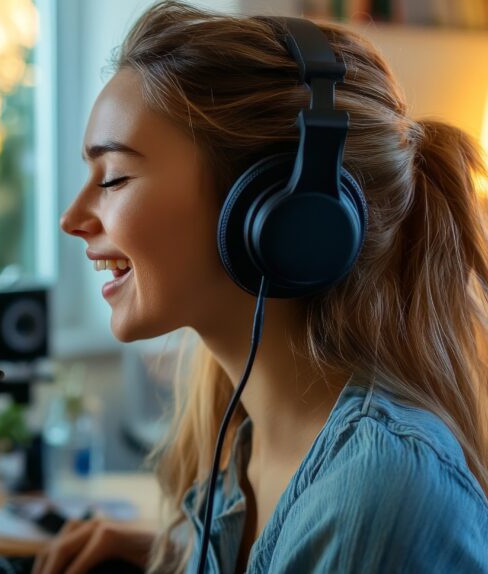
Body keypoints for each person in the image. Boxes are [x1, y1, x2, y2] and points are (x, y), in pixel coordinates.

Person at [36, 2, 488, 572]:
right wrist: (175, 553)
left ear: (276, 211)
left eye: (115, 178)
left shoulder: (377, 499)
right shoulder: (245, 446)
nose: (72, 218)